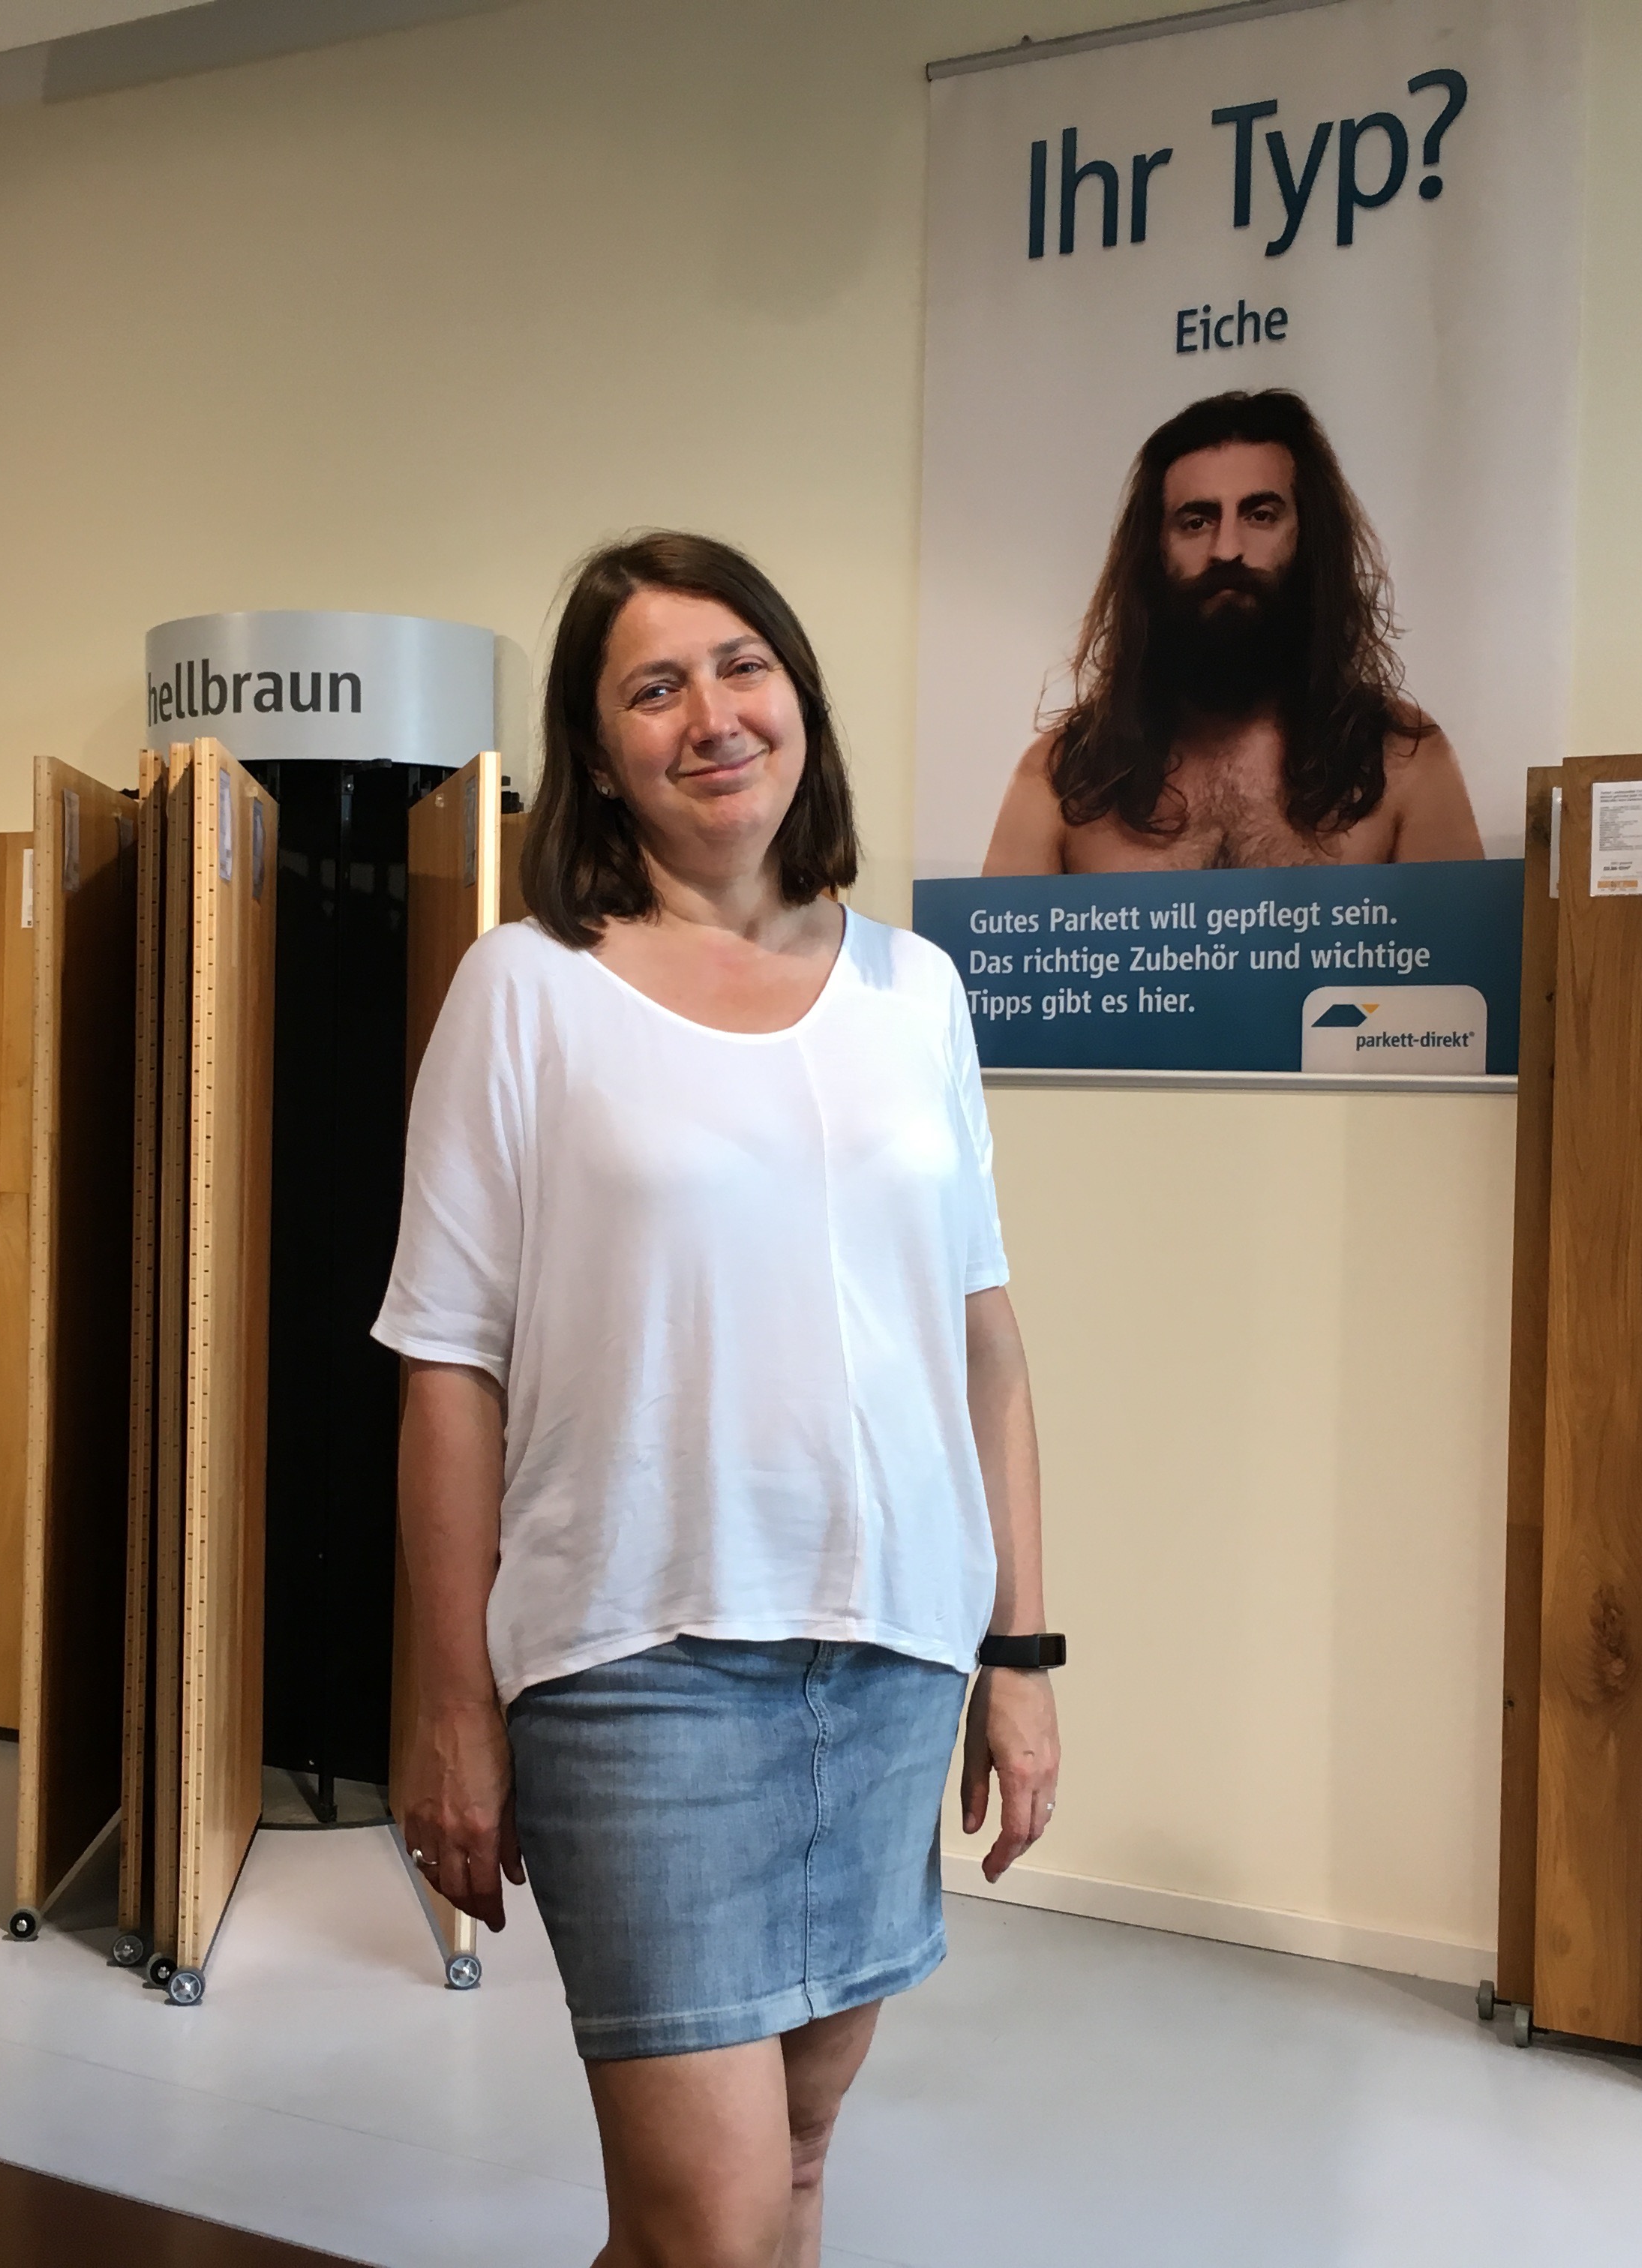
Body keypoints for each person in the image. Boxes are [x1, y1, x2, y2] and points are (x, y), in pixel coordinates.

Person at [377, 531, 1061, 2268]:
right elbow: (447, 1369)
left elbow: (983, 1339)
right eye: (655, 688)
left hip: (891, 1656)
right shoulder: (526, 990)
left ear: (799, 698)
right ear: (598, 752)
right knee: (715, 2225)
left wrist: (1021, 1654)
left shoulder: (916, 991)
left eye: (743, 665)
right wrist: (450, 1709)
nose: (713, 714)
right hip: (640, 1669)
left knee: (799, 2172)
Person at [981, 388, 1481, 872]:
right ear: (1154, 552)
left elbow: (1461, 933)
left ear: (1309, 539)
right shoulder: (1060, 779)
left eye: (1260, 515)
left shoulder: (1405, 761)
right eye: (1196, 522)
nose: (1226, 550)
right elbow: (997, 935)